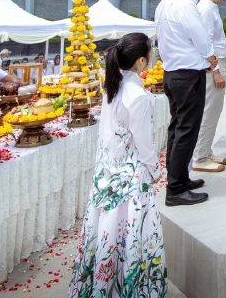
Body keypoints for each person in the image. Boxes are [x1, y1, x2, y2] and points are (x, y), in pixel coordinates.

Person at [69, 33, 167, 297]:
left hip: (107, 173)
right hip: (132, 179)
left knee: (107, 236)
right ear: (142, 62)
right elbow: (144, 143)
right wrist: (156, 170)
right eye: (152, 53)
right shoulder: (137, 95)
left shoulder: (113, 84)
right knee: (131, 240)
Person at [154, 0, 217, 207]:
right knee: (186, 131)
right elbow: (199, 36)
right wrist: (211, 57)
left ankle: (177, 179)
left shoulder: (162, 4)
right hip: (188, 75)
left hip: (172, 73)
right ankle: (177, 189)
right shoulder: (184, 4)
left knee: (177, 129)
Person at [193, 0, 226, 173]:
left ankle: (205, 150)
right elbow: (206, 43)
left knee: (214, 111)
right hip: (213, 67)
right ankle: (200, 156)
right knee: (210, 111)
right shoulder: (205, 9)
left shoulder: (211, 8)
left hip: (218, 63)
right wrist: (216, 71)